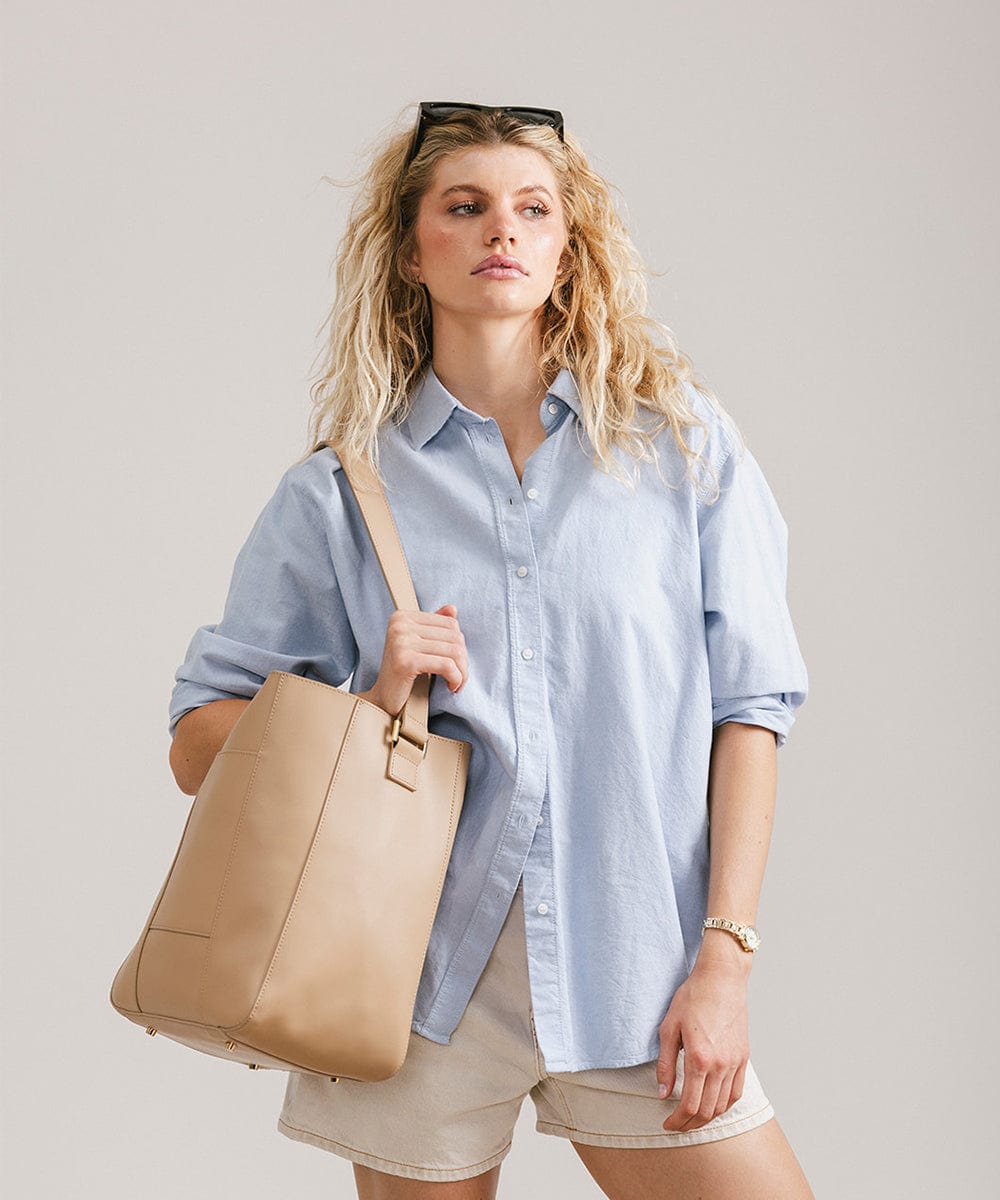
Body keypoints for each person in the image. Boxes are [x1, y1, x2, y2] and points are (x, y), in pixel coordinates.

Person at [168, 101, 815, 1200]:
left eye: (530, 210)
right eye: (462, 208)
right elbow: (196, 747)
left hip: (637, 972)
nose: (498, 232)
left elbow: (749, 708)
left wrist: (725, 960)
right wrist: (369, 702)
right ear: (413, 250)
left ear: (568, 251)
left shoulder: (680, 451)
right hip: (417, 989)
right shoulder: (338, 493)